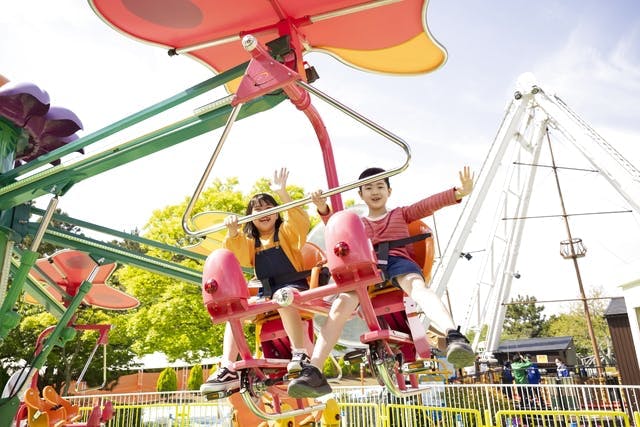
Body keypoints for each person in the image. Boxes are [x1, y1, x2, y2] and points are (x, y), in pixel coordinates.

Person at [287, 166, 477, 398]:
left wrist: (457, 192)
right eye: (368, 188)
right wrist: (323, 208)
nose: (374, 192)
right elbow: (336, 226)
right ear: (360, 194)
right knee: (340, 304)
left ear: (389, 191)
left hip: (397, 262)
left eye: (379, 187)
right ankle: (315, 369)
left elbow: (426, 205)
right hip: (366, 267)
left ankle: (454, 335)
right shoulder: (357, 223)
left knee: (417, 286)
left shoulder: (400, 214)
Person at [200, 168, 314, 395]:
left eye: (269, 208)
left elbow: (300, 222)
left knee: (284, 298)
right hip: (268, 292)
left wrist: (283, 195)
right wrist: (233, 233)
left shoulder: (286, 234)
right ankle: (228, 366)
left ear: (277, 212)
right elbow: (238, 256)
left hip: (293, 286)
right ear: (250, 216)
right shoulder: (252, 242)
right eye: (258, 209)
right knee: (236, 313)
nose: (264, 213)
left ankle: (300, 352)